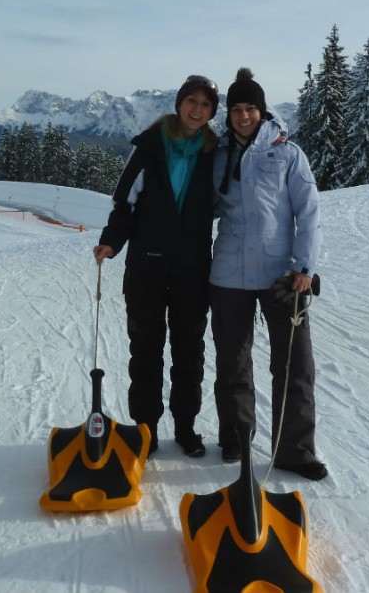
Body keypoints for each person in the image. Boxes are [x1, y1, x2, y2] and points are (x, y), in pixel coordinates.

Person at [209, 67, 327, 480]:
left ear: (262, 110)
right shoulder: (217, 154)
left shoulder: (287, 152)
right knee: (232, 362)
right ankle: (236, 438)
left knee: (295, 365)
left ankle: (294, 450)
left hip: (283, 276)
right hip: (227, 274)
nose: (243, 116)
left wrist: (304, 268)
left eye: (250, 108)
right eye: (236, 109)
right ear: (229, 113)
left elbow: (308, 213)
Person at [93, 75, 219, 458]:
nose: (197, 110)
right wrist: (112, 241)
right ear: (179, 103)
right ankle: (145, 431)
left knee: (188, 353)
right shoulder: (149, 147)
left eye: (205, 105)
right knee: (145, 352)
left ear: (212, 112)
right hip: (146, 269)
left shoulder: (216, 152)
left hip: (193, 270)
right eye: (191, 101)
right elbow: (125, 203)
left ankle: (185, 428)